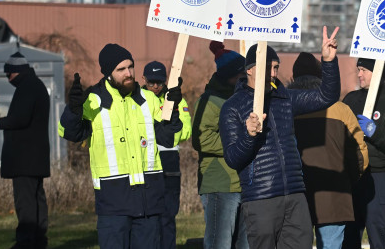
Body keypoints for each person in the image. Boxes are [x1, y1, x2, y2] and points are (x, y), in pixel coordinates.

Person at [220, 28, 341, 249]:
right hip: (260, 199)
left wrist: (329, 62)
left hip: (295, 195)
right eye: (267, 68)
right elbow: (232, 159)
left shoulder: (284, 98)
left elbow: (327, 96)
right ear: (250, 70)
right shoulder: (232, 108)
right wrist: (248, 136)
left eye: (275, 68)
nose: (273, 74)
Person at [58, 43, 183, 249]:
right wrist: (73, 110)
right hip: (113, 204)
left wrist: (173, 109)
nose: (128, 73)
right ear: (108, 73)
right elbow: (69, 133)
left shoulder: (148, 99)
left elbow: (168, 138)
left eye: (130, 67)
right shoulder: (93, 100)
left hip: (149, 204)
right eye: (121, 69)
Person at [290, 52, 368, 249]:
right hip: (335, 192)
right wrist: (351, 179)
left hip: (296, 192)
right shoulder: (340, 109)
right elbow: (359, 152)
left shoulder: (284, 106)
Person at [193, 41, 250, 249]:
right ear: (229, 76)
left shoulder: (242, 99)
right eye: (241, 75)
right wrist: (239, 145)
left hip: (243, 183)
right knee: (220, 243)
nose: (246, 78)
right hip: (219, 183)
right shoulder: (209, 101)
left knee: (244, 244)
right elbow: (202, 138)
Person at [341, 57, 385, 249]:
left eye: (364, 70)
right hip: (354, 176)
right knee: (349, 236)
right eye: (358, 69)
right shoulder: (351, 99)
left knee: (378, 234)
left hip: (380, 176)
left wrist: (375, 133)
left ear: (379, 71)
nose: (359, 75)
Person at [0, 50, 50, 249]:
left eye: (8, 74)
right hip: (35, 159)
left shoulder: (27, 88)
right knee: (37, 201)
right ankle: (38, 241)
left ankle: (26, 243)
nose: (8, 78)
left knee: (25, 203)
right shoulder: (36, 86)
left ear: (16, 71)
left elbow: (19, 119)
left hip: (24, 160)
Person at [141, 61, 192, 249]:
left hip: (169, 163)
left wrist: (166, 135)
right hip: (145, 164)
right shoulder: (136, 99)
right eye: (151, 82)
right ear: (144, 79)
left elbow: (186, 132)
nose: (155, 87)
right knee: (146, 220)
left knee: (168, 217)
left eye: (159, 83)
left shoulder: (176, 99)